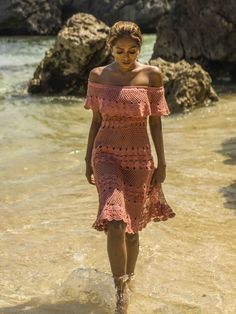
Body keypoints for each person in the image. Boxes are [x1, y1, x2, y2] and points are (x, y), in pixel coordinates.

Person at [84, 21, 176, 314]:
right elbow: (96, 121)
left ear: (140, 47)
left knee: (132, 230)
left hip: (139, 158)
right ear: (110, 48)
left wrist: (162, 162)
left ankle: (129, 279)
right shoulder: (98, 75)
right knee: (115, 221)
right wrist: (87, 159)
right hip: (105, 155)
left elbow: (156, 123)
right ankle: (120, 291)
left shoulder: (152, 75)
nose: (126, 56)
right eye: (120, 50)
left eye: (132, 50)